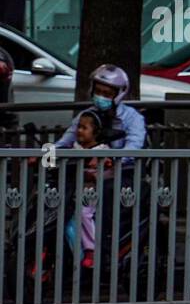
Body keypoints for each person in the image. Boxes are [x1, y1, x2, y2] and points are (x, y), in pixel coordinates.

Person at [54, 64, 146, 165]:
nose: (101, 96)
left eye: (107, 94)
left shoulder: (132, 117)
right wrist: (43, 155)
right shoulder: (86, 115)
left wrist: (111, 159)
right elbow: (65, 142)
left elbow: (133, 147)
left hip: (121, 171)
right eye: (97, 91)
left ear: (118, 95)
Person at [65, 109, 110, 269]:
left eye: (84, 128)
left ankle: (91, 249)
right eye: (78, 127)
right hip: (72, 191)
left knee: (84, 214)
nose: (79, 131)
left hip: (90, 193)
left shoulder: (102, 150)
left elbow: (103, 171)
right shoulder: (75, 147)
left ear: (95, 132)